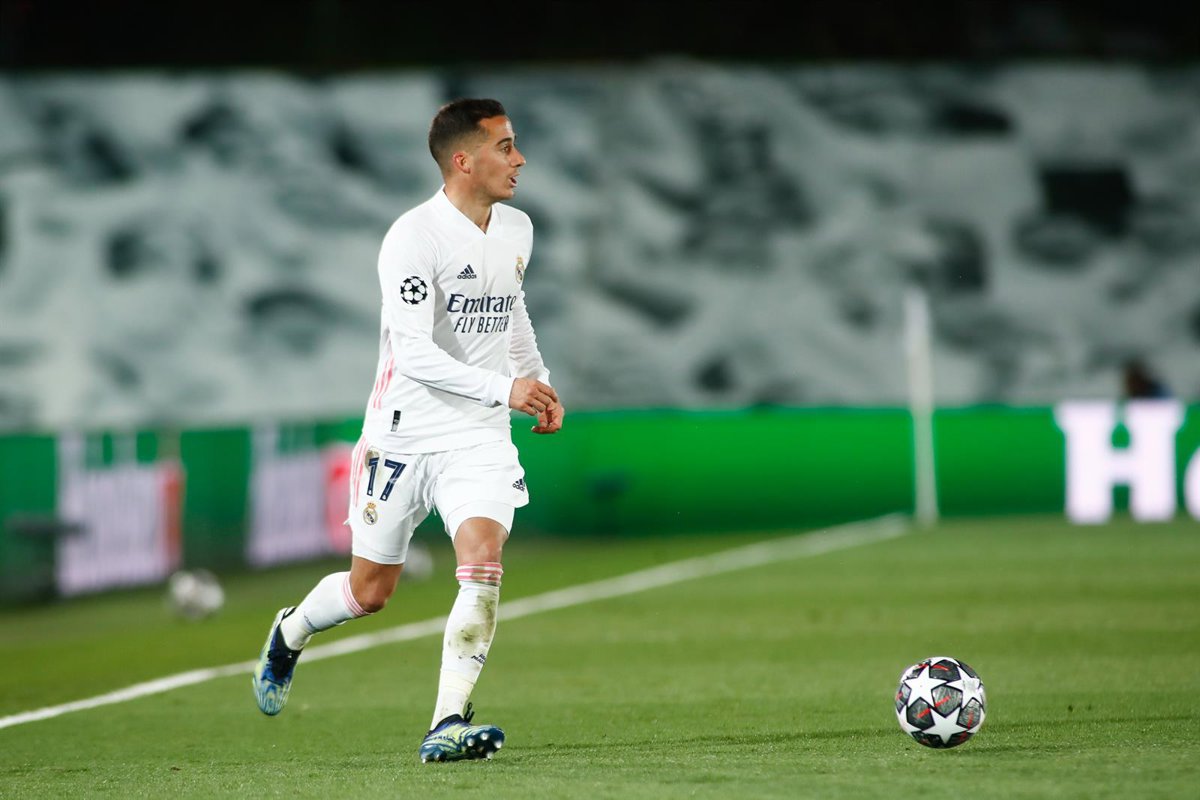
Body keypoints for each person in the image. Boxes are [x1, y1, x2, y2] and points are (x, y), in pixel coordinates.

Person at [252, 98, 563, 763]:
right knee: (370, 592)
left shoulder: (517, 228)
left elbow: (512, 311)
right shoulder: (413, 238)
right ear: (464, 160)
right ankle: (291, 632)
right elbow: (415, 354)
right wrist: (505, 388)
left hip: (478, 436)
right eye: (505, 147)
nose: (520, 159)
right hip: (403, 435)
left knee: (483, 561)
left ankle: (446, 721)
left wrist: (535, 380)